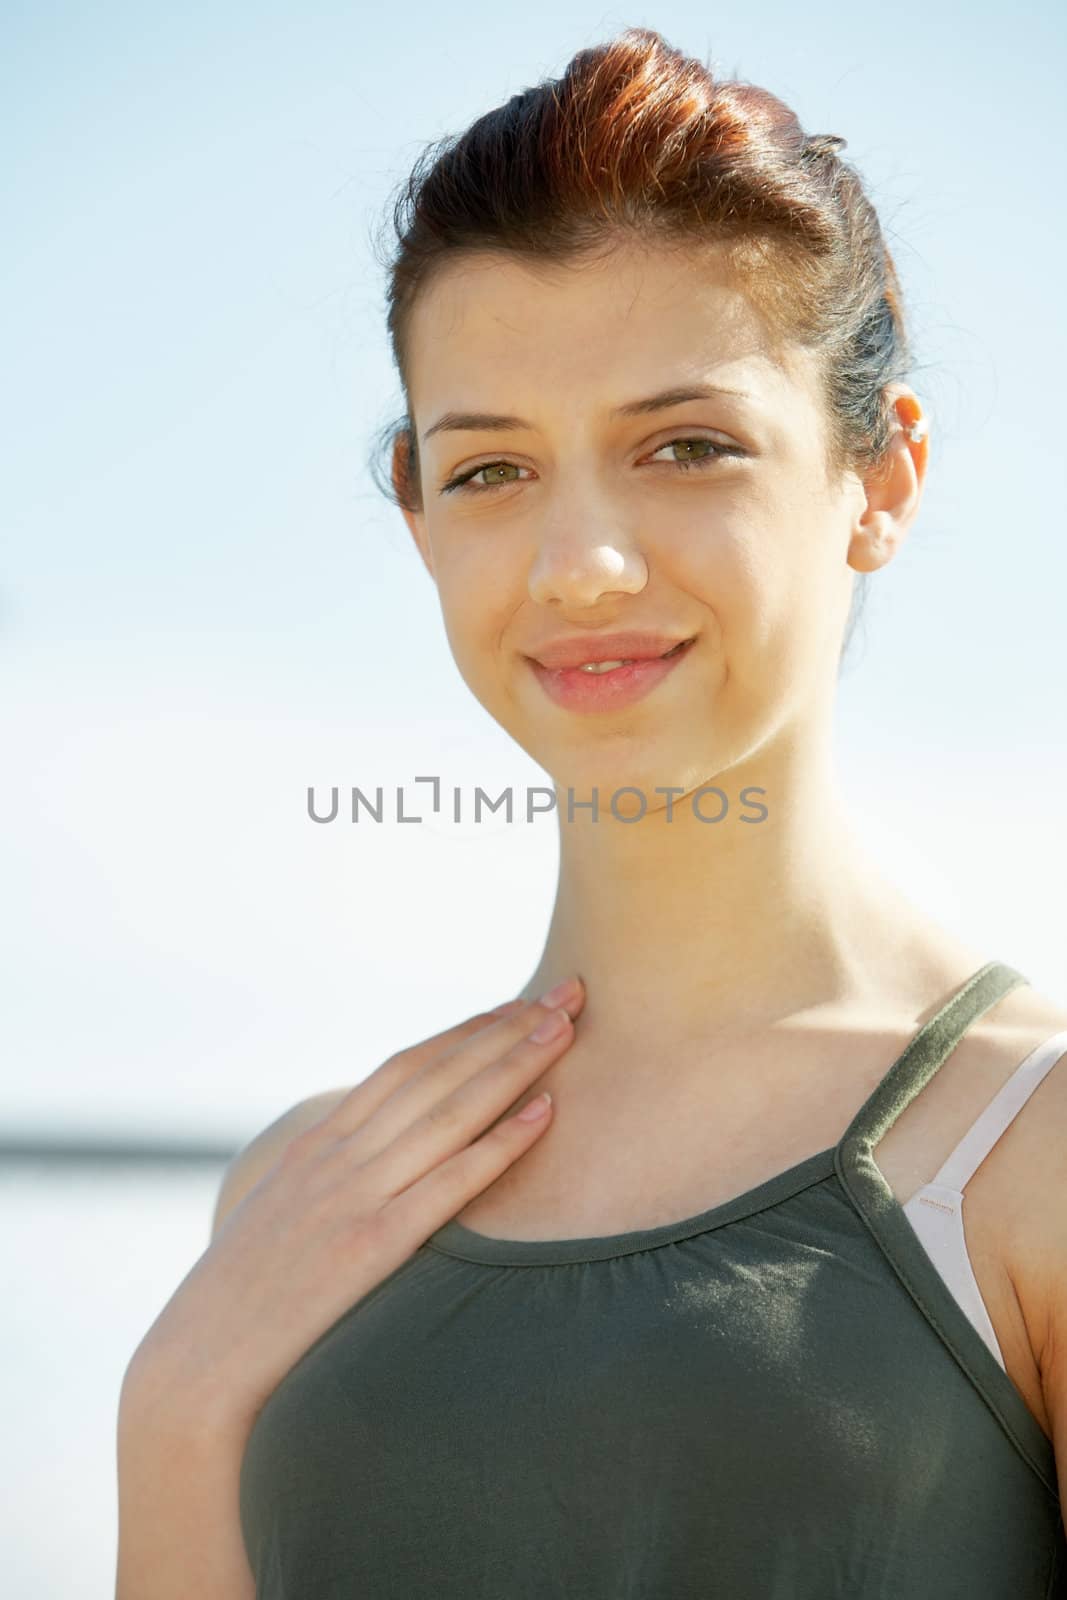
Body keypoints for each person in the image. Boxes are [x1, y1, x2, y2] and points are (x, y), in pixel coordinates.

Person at [115, 26, 1067, 1598]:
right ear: (415, 514)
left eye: (685, 448)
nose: (581, 568)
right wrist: (179, 1404)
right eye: (489, 472)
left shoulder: (1023, 1152)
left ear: (879, 478)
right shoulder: (300, 1187)